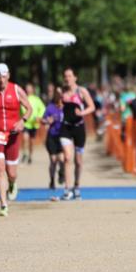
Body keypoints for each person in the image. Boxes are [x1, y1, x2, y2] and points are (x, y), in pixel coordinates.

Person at [0, 63, 32, 216]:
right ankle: (3, 205)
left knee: (11, 173)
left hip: (13, 134)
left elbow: (29, 108)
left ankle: (12, 183)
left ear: (8, 76)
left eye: (3, 76)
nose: (0, 79)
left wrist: (23, 121)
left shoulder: (16, 90)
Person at [58, 67, 96, 200]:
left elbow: (92, 106)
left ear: (75, 78)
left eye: (69, 76)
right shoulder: (61, 91)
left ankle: (77, 186)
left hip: (79, 128)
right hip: (66, 127)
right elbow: (58, 106)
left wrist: (82, 112)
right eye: (65, 76)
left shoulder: (82, 91)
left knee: (78, 161)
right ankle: (67, 189)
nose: (67, 78)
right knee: (67, 158)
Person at [42, 87, 65, 191]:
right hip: (51, 136)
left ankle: (61, 173)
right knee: (53, 160)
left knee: (62, 159)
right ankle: (52, 180)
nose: (59, 97)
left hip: (62, 136)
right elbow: (43, 120)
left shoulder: (64, 107)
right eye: (57, 95)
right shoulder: (50, 107)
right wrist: (47, 120)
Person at [22, 82, 46, 165]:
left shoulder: (36, 99)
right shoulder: (23, 99)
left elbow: (42, 109)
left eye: (29, 88)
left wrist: (39, 117)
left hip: (34, 124)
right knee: (25, 138)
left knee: (31, 142)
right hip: (25, 123)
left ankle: (30, 156)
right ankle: (24, 153)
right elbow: (19, 110)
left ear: (32, 89)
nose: (28, 90)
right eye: (27, 88)